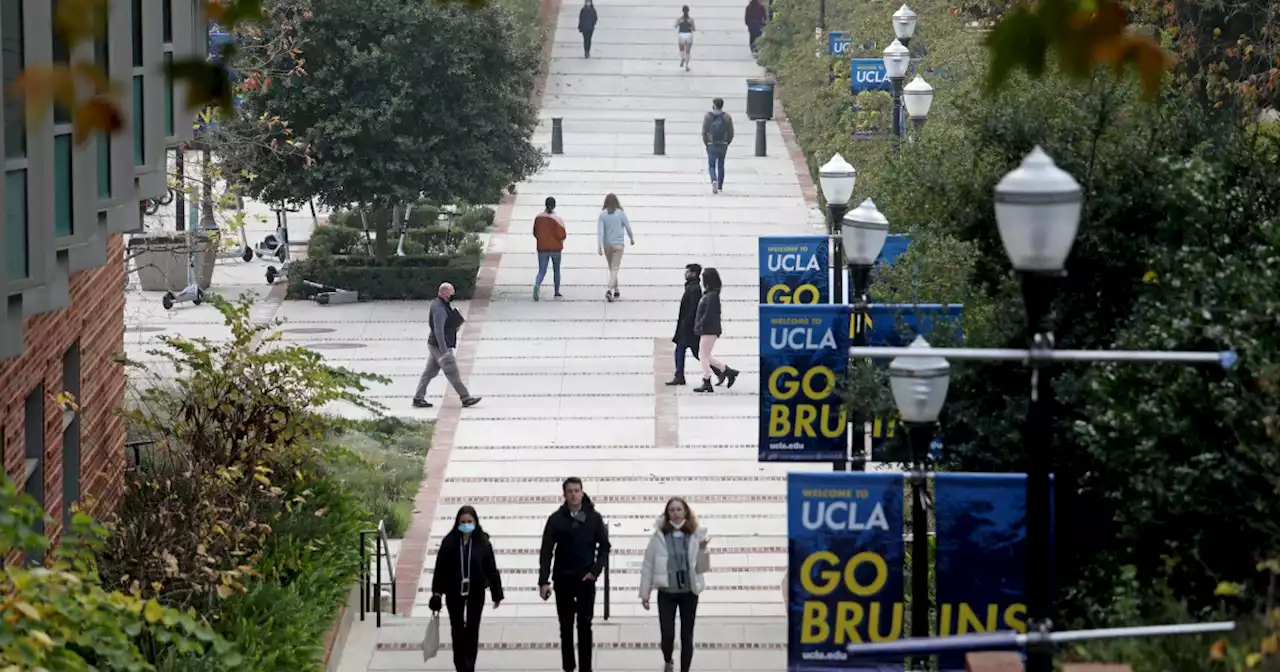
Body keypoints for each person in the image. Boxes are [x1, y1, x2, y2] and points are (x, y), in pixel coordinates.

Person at [538, 477, 611, 672]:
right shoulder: (556, 519)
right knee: (566, 627)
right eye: (569, 491)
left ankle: (586, 669)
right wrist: (543, 581)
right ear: (564, 494)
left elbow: (605, 547)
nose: (573, 494)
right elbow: (546, 551)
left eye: (576, 490)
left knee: (585, 625)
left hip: (585, 579)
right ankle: (568, 667)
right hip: (562, 579)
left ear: (582, 492)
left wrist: (595, 571)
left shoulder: (594, 518)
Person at [639, 498, 711, 672]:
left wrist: (702, 550)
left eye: (679, 509)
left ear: (685, 512)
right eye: (672, 510)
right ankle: (668, 659)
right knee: (667, 634)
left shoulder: (696, 535)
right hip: (666, 592)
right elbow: (648, 565)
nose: (676, 513)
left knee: (687, 635)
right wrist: (645, 593)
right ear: (667, 514)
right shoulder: (658, 537)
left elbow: (703, 568)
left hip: (689, 592)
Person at [429, 506, 504, 672]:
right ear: (457, 523)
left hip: (475, 592)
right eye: (463, 522)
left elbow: (491, 568)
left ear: (475, 523)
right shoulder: (449, 543)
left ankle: (470, 665)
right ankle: (460, 665)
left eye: (469, 522)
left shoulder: (483, 543)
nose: (466, 525)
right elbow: (440, 569)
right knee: (457, 630)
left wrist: (496, 593)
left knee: (472, 629)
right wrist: (437, 593)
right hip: (454, 591)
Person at [413, 282, 482, 408]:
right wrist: (445, 351)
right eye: (451, 292)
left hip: (435, 345)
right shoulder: (439, 309)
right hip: (441, 346)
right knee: (452, 372)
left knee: (429, 373)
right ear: (444, 292)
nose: (453, 294)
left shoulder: (441, 305)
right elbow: (438, 330)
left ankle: (418, 397)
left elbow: (444, 326)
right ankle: (466, 398)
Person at [667, 263, 722, 386]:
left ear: (693, 273)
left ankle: (680, 376)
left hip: (689, 328)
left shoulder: (694, 289)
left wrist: (687, 325)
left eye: (687, 272)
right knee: (697, 354)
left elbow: (693, 310)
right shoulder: (691, 287)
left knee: (695, 353)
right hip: (689, 327)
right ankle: (721, 371)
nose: (685, 274)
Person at [693, 268, 738, 393]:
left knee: (702, 356)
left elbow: (709, 314)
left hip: (709, 330)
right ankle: (727, 371)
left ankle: (706, 380)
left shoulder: (712, 295)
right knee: (706, 356)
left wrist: (700, 325)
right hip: (708, 329)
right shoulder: (710, 294)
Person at [596, 193, 634, 303]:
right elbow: (627, 226)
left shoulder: (602, 215)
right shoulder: (621, 214)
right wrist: (631, 238)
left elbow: (600, 232)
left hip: (607, 245)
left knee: (612, 268)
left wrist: (599, 246)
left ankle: (616, 289)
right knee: (614, 268)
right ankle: (609, 289)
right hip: (618, 245)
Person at [533, 196, 567, 301]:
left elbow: (535, 232)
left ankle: (537, 284)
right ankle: (556, 292)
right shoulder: (558, 219)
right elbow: (563, 235)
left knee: (542, 270)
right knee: (556, 270)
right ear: (554, 205)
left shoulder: (538, 218)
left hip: (542, 248)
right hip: (556, 249)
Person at [702, 98, 735, 194]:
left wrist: (707, 143)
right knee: (721, 165)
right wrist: (727, 142)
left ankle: (714, 180)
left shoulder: (708, 116)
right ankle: (720, 186)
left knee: (711, 165)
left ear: (714, 105)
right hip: (723, 144)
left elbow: (704, 131)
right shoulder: (727, 117)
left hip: (711, 144)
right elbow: (731, 133)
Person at [674, 6, 695, 71]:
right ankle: (687, 65)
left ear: (682, 11)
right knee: (688, 51)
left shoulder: (679, 19)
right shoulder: (691, 20)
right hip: (689, 35)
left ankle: (683, 58)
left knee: (681, 49)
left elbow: (675, 26)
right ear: (688, 11)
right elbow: (694, 29)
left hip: (681, 34)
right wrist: (689, 27)